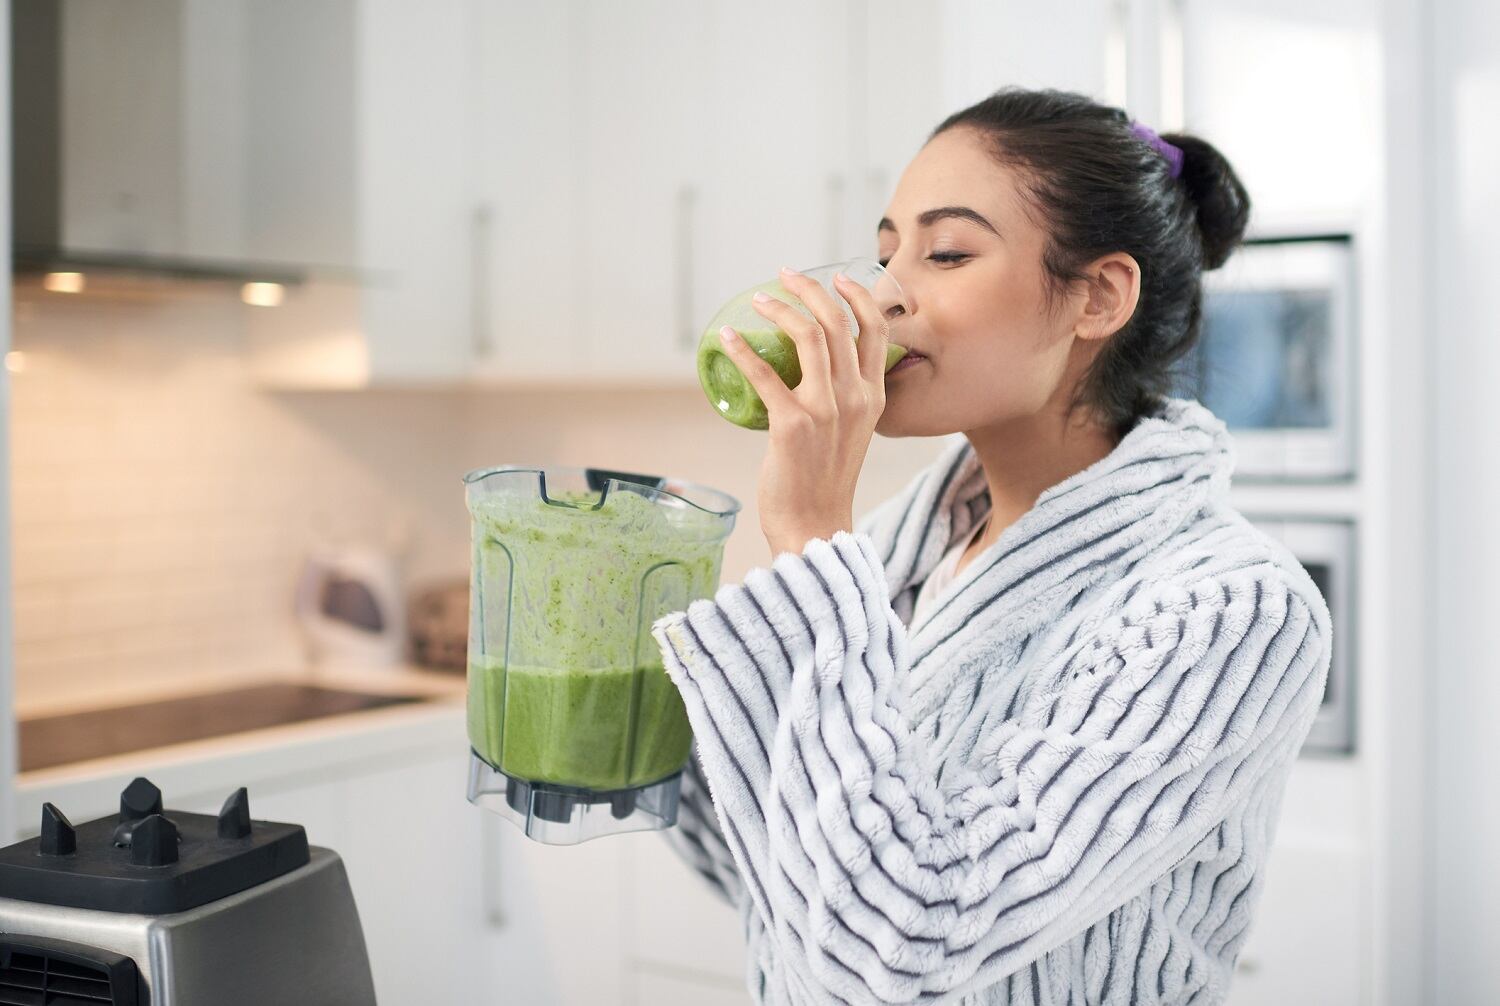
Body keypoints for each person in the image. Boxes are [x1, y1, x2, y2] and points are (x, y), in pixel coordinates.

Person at [650, 87, 1333, 1005]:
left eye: (946, 253)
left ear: (1097, 296)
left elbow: (910, 940)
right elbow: (788, 891)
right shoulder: (909, 549)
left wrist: (811, 536)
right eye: (887, 252)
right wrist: (622, 724)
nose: (882, 294)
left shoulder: (1231, 609)